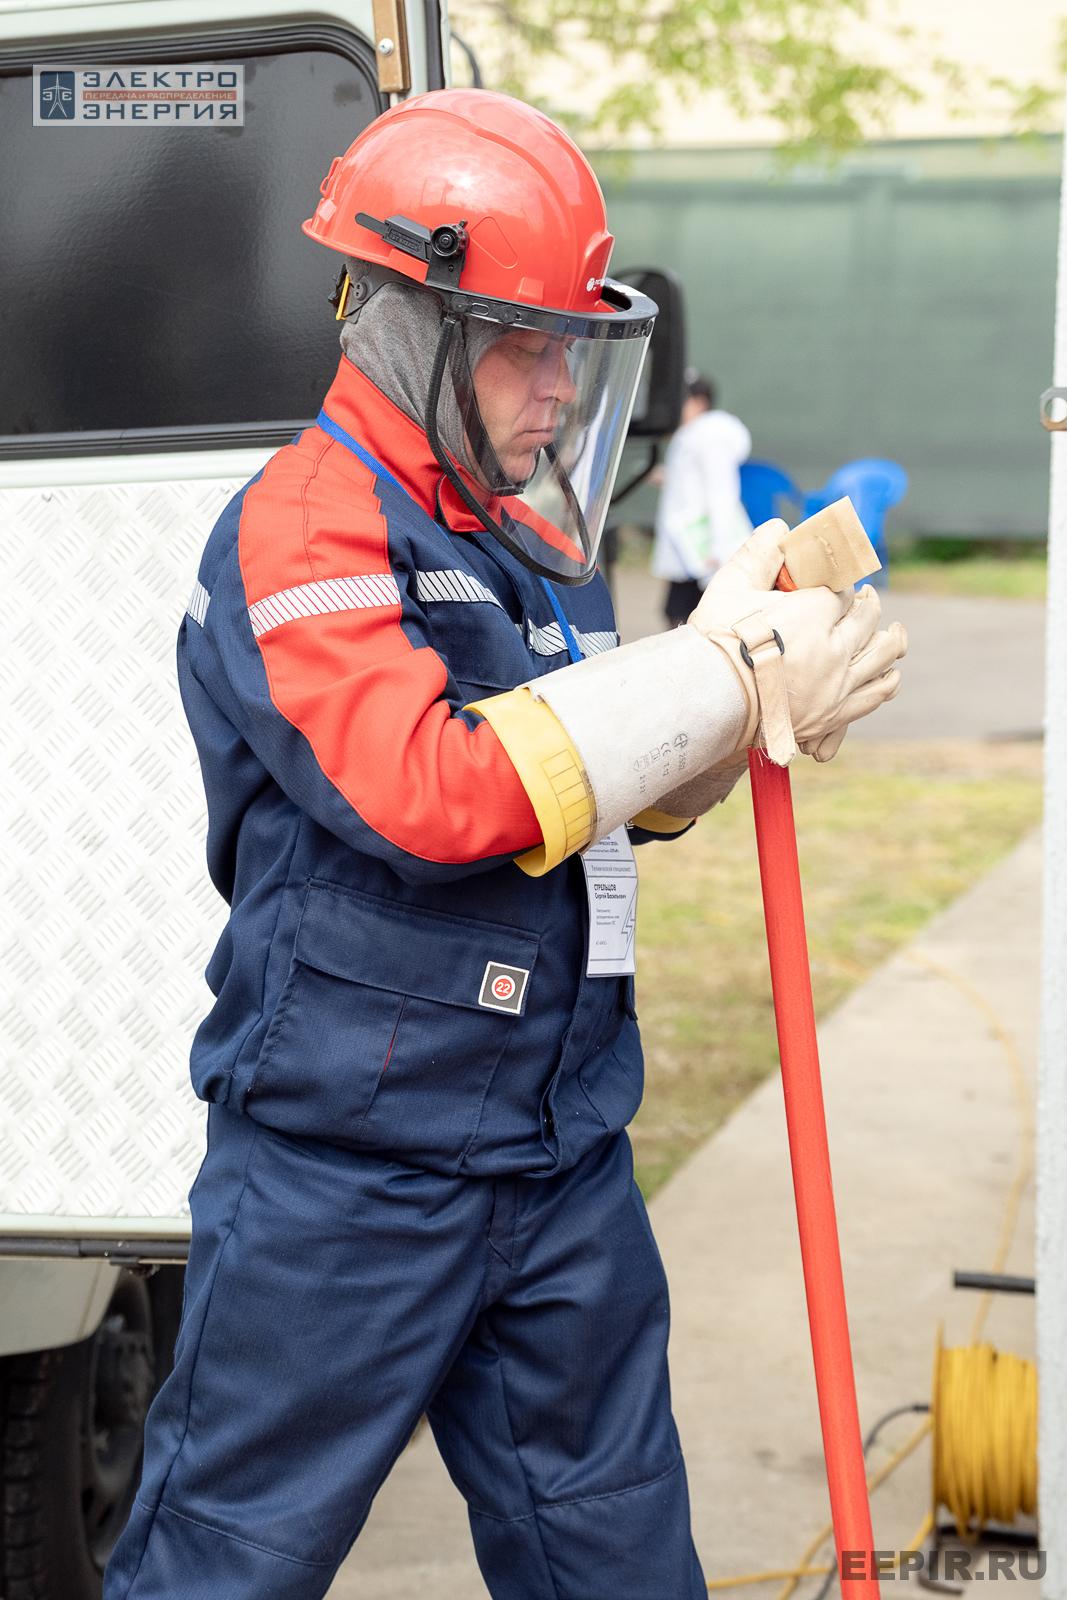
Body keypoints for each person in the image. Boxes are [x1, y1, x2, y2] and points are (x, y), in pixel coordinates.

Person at [104, 89, 906, 1600]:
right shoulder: (304, 527)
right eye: (521, 342)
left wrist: (742, 704)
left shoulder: (524, 545)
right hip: (348, 1186)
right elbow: (428, 793)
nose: (554, 389)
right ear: (408, 325)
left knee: (614, 1562)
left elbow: (603, 798)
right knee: (225, 1568)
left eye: (571, 346)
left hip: (559, 1162)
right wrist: (710, 676)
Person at [652, 371, 754, 626]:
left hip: (704, 550)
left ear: (698, 402)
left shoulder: (710, 436)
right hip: (690, 547)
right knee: (678, 616)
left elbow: (721, 493)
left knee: (693, 619)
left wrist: (718, 549)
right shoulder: (692, 435)